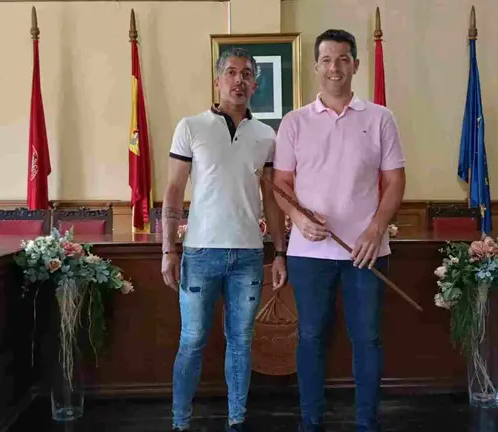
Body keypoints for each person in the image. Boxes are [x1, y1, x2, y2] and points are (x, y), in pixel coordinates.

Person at [272, 29, 406, 432]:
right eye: (327, 60)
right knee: (311, 336)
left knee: (367, 338)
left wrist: (375, 229)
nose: (335, 68)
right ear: (316, 67)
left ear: (356, 65)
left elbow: (395, 181)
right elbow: (281, 186)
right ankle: (310, 421)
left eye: (343, 59)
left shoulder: (381, 117)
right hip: (309, 255)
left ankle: (367, 422)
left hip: (365, 252)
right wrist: (298, 218)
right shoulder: (294, 123)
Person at [160, 47, 288, 432]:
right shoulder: (191, 127)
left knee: (241, 343)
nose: (239, 80)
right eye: (231, 72)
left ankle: (237, 420)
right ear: (217, 80)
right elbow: (172, 191)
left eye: (247, 74)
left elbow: (272, 200)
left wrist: (280, 252)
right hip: (199, 253)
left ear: (255, 84)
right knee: (192, 341)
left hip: (249, 255)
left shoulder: (267, 135)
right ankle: (180, 421)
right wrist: (169, 249)